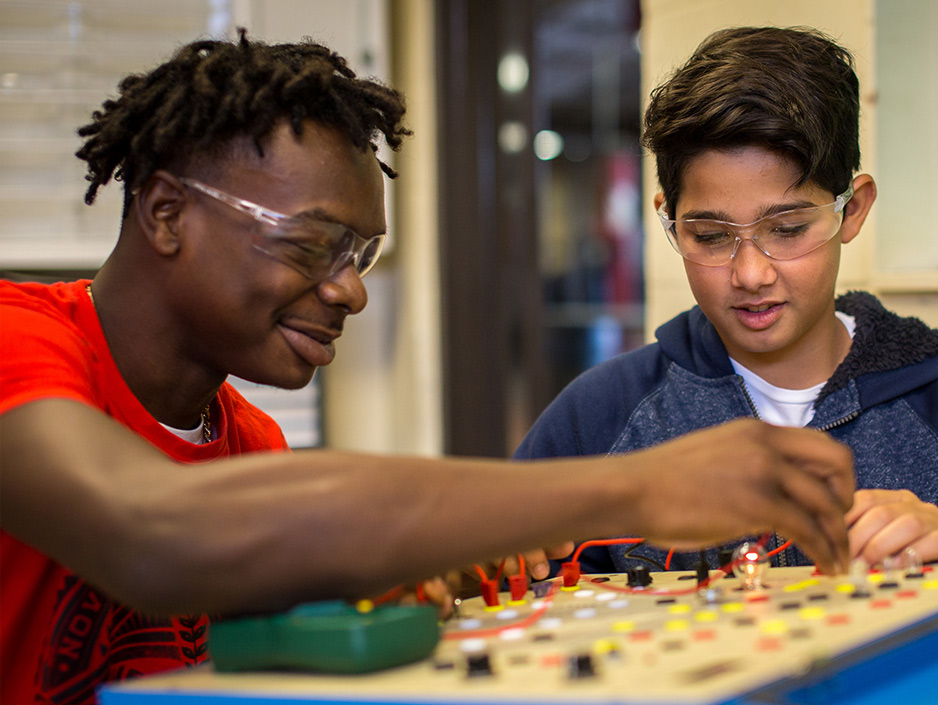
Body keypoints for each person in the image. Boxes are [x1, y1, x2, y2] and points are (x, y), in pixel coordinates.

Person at [0, 31, 857, 704]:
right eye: (313, 245)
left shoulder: (246, 444)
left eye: (360, 254)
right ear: (165, 212)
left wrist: (407, 578)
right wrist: (637, 488)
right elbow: (154, 531)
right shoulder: (17, 342)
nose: (349, 292)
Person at [515, 26, 938, 575]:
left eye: (787, 229)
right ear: (669, 218)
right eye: (710, 236)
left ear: (852, 210)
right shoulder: (604, 414)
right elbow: (515, 582)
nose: (751, 274)